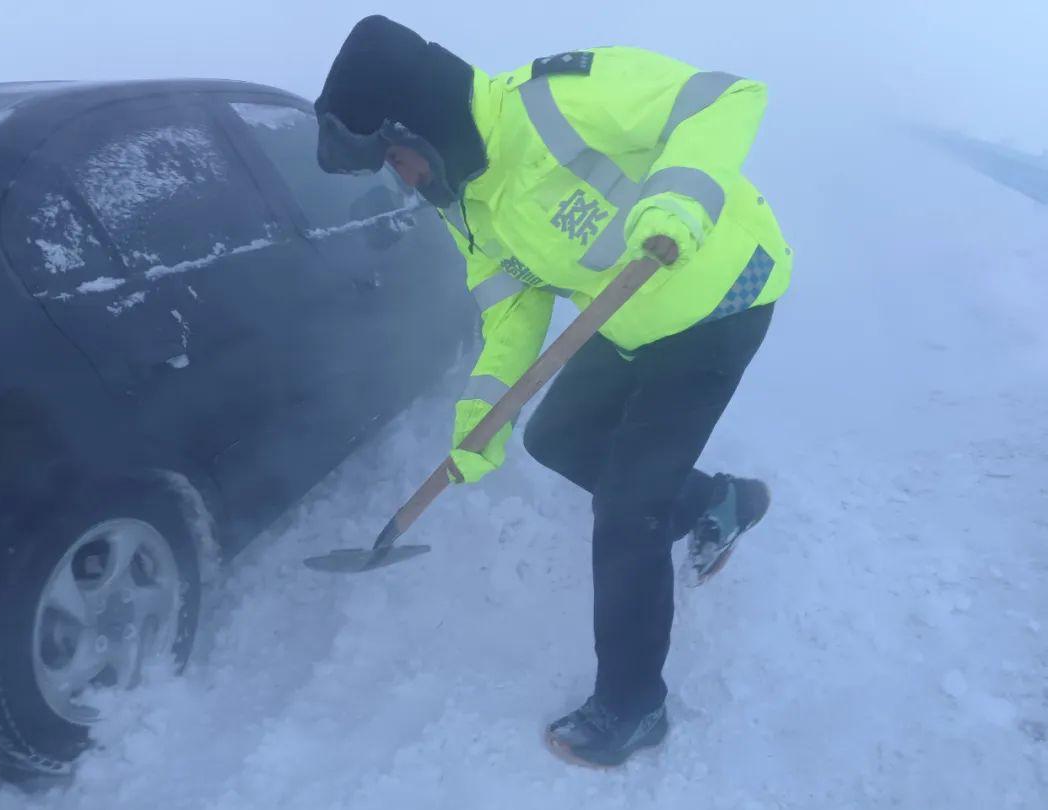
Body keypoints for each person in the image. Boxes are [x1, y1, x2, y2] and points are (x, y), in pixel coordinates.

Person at [315, 15, 792, 767]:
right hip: (629, 314)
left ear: (423, 124)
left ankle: (634, 706)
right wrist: (481, 420)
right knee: (556, 437)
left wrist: (675, 204)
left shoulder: (556, 100)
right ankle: (717, 504)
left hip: (719, 298)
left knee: (629, 508)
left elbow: (724, 97)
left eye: (396, 157)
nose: (401, 178)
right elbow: (512, 304)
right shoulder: (465, 200)